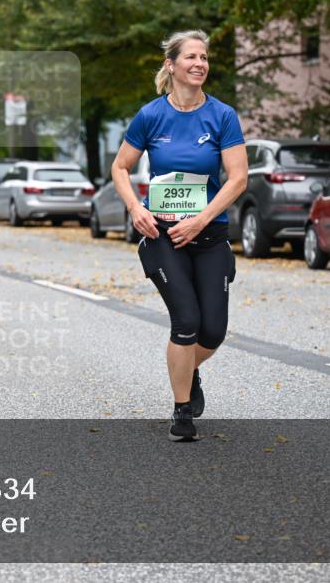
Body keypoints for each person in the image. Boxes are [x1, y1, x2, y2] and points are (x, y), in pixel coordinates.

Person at [111, 29, 248, 443]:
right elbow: (120, 167)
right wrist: (135, 207)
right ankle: (182, 410)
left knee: (213, 332)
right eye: (191, 57)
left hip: (208, 236)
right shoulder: (151, 115)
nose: (200, 64)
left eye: (204, 57)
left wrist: (202, 219)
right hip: (163, 237)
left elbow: (238, 178)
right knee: (186, 321)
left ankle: (191, 370)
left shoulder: (222, 116)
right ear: (171, 65)